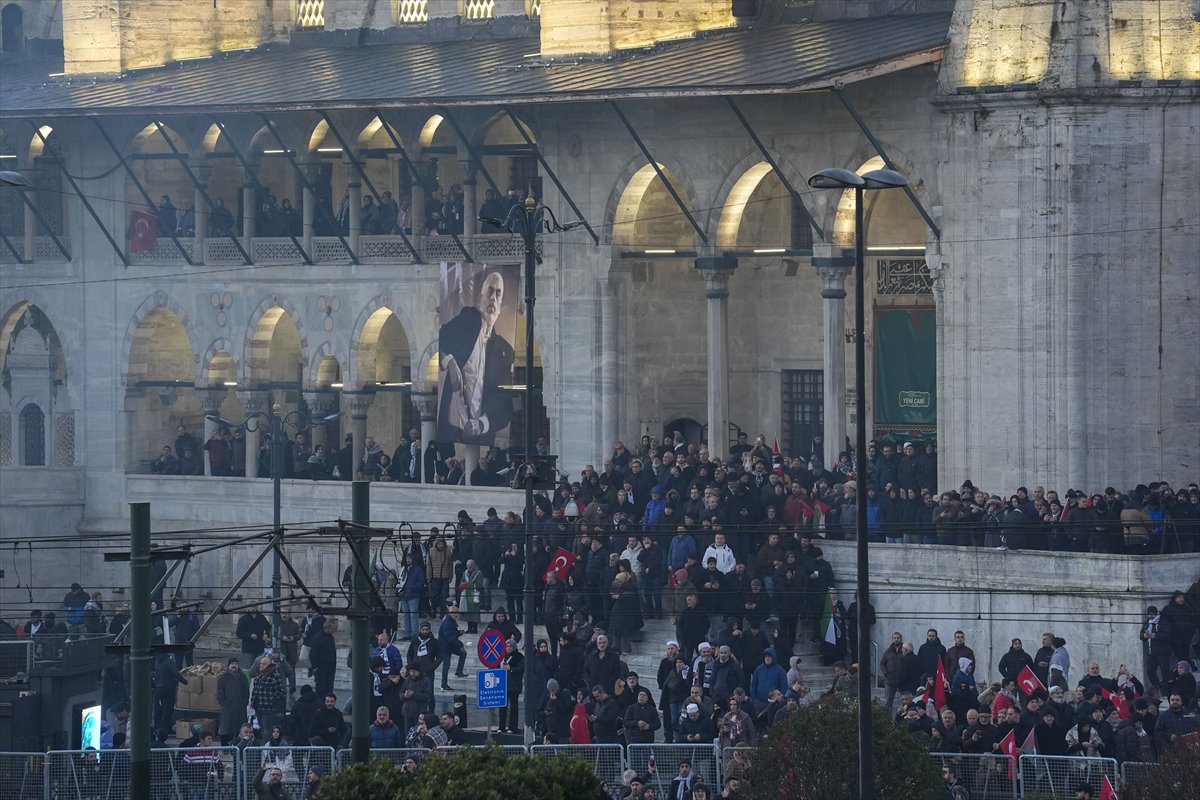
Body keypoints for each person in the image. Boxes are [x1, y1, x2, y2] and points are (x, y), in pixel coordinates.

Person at [437, 269, 515, 446]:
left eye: (498, 294)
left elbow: (505, 404)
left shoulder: (504, 351)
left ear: (500, 304)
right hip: (452, 426)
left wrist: (482, 424)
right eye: (490, 291)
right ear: (481, 296)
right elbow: (442, 339)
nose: (493, 298)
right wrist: (450, 362)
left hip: (480, 435)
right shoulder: (469, 320)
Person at [217, 657, 250, 746]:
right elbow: (219, 692)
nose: (234, 665)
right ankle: (225, 749)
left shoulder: (242, 677)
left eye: (235, 664)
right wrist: (224, 703)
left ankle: (238, 747)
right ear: (228, 666)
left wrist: (244, 703)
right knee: (226, 730)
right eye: (232, 664)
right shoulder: (223, 677)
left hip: (240, 709)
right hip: (227, 709)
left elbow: (246, 691)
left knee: (239, 730)